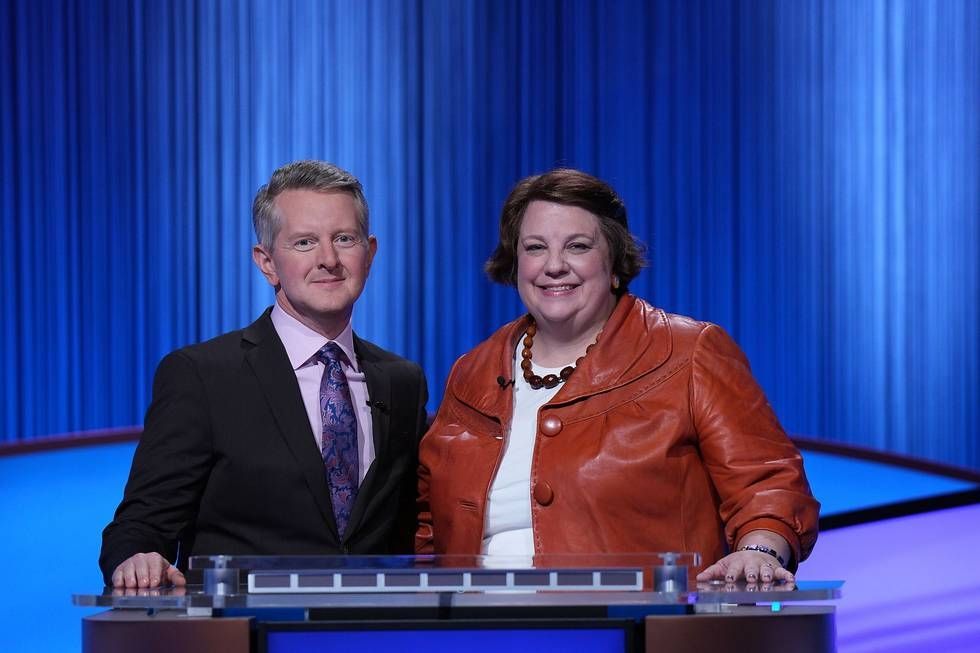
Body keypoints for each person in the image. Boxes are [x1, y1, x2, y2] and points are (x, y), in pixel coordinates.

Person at [416, 168, 819, 584]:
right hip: (481, 634)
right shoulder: (471, 373)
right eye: (535, 247)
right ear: (515, 264)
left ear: (613, 263)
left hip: (637, 633)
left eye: (578, 246)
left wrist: (759, 552)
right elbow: (427, 526)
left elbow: (768, 483)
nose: (554, 266)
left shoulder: (689, 352)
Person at [101, 160, 428, 588]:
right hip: (246, 635)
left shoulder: (402, 380)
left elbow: (412, 528)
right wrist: (137, 559)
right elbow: (141, 525)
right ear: (267, 262)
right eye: (305, 242)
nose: (328, 259)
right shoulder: (202, 376)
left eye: (344, 239)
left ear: (369, 253)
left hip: (369, 633)